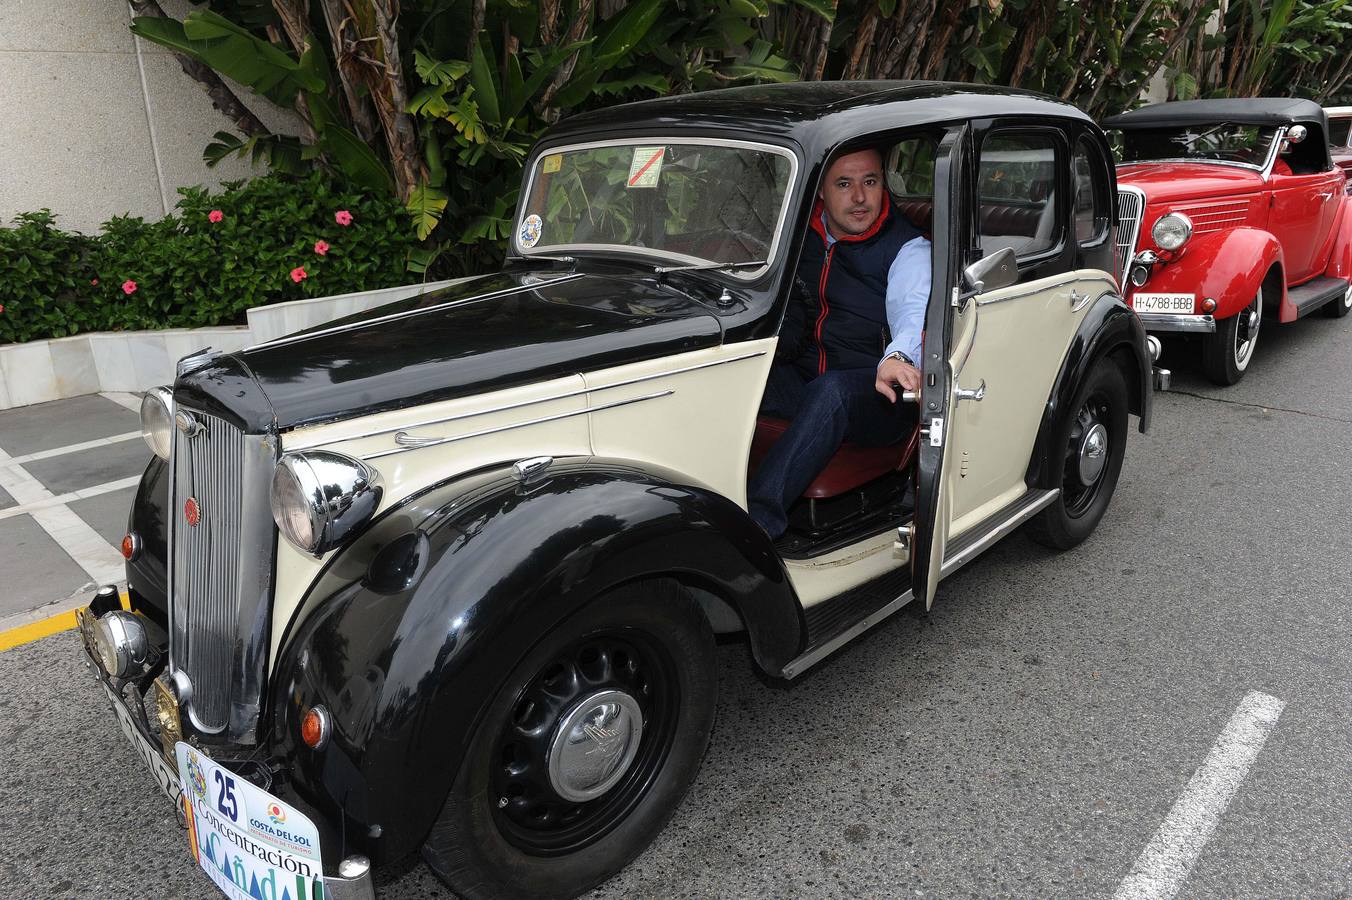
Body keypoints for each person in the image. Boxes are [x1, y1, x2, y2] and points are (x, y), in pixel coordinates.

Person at [747, 146, 931, 539]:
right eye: (844, 184)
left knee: (834, 392)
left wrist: (897, 357)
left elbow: (912, 311)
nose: (860, 197)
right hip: (805, 381)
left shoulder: (907, 248)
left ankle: (756, 526)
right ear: (819, 191)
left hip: (877, 396)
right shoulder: (796, 236)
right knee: (734, 371)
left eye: (870, 182)